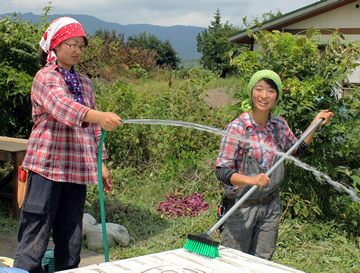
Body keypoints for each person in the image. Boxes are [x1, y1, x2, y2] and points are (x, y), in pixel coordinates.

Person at [13, 17, 123, 273]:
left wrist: (102, 164)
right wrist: (99, 116)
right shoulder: (46, 77)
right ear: (54, 46)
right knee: (36, 230)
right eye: (71, 44)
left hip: (77, 171)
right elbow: (63, 107)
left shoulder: (85, 82)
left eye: (82, 46)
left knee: (71, 234)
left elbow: (95, 130)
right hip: (46, 167)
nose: (77, 50)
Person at [215, 70, 334, 260]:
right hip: (240, 209)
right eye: (259, 89)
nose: (264, 96)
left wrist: (315, 124)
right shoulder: (238, 127)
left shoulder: (279, 125)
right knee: (234, 262)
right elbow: (221, 171)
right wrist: (250, 179)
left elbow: (296, 150)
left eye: (270, 90)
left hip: (271, 206)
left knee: (263, 262)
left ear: (277, 96)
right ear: (251, 92)